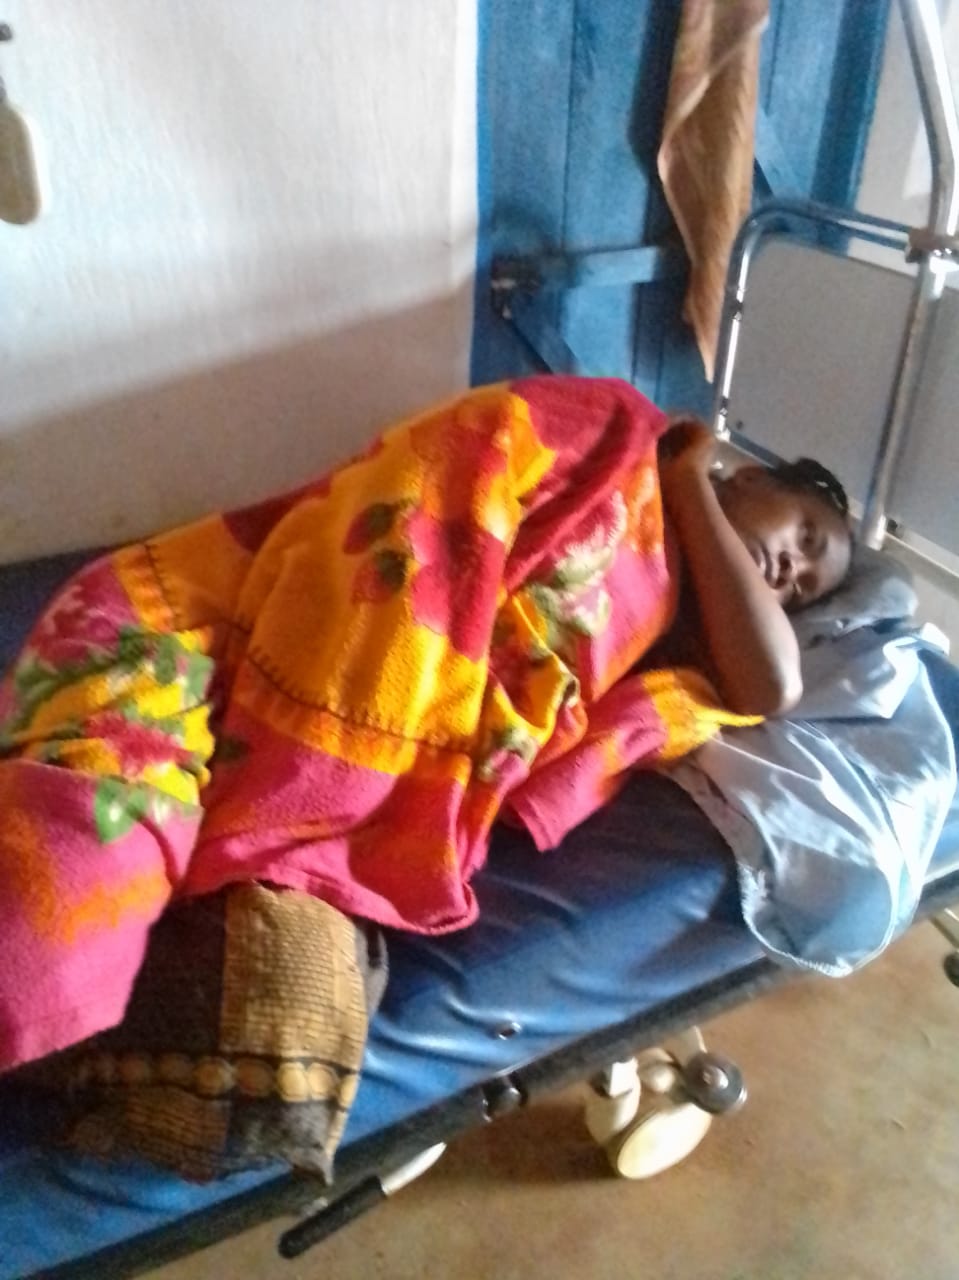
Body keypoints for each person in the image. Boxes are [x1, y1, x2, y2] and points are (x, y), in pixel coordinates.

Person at [652, 415, 852, 718]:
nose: (791, 569)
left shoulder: (693, 642)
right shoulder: (649, 450)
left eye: (796, 592)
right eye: (806, 538)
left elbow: (773, 686)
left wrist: (688, 481)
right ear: (752, 478)